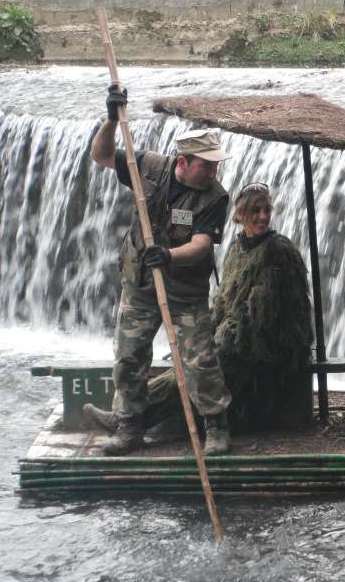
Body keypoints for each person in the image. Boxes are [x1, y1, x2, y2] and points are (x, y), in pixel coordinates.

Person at [85, 183, 314, 438]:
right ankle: (127, 416)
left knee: (195, 371)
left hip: (266, 353)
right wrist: (206, 336)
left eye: (266, 210)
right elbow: (225, 303)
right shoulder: (238, 248)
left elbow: (265, 318)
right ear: (241, 214)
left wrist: (220, 341)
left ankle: (129, 420)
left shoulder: (278, 252)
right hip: (238, 342)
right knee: (191, 362)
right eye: (255, 210)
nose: (262, 217)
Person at [85, 84, 232, 455]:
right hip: (140, 283)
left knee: (200, 361)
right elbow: (101, 155)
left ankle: (216, 426)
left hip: (185, 292)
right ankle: (129, 427)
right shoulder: (147, 167)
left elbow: (201, 246)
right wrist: (111, 119)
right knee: (129, 356)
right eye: (206, 165)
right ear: (183, 163)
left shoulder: (215, 196)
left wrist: (169, 256)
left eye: (215, 165)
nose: (213, 171)